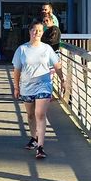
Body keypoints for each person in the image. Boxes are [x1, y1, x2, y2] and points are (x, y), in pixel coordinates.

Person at [12, 19, 67, 160]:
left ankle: (40, 148)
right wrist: (16, 87)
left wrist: (62, 80)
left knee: (40, 114)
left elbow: (57, 65)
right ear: (30, 31)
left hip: (44, 84)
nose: (37, 33)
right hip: (27, 87)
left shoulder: (47, 49)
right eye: (34, 30)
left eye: (40, 31)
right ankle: (34, 138)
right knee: (30, 115)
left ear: (43, 33)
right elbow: (17, 70)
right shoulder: (22, 49)